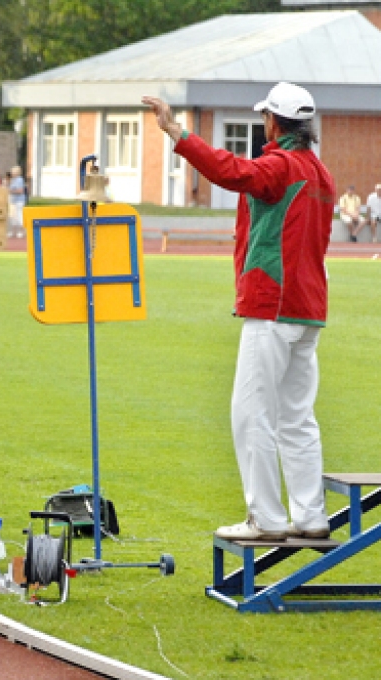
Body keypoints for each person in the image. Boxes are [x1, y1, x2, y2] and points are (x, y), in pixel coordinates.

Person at [143, 82, 334, 542]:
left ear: (273, 121)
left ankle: (266, 518)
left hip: (273, 305)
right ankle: (310, 516)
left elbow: (230, 172)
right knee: (297, 417)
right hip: (308, 307)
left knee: (251, 413)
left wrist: (176, 132)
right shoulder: (319, 171)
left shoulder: (281, 165)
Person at [8, 165, 27, 239]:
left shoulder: (19, 180)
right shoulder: (13, 180)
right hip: (12, 200)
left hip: (19, 201)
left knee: (19, 216)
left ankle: (21, 231)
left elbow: (20, 190)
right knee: (12, 216)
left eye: (13, 172)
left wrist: (11, 191)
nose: (12, 173)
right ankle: (12, 232)